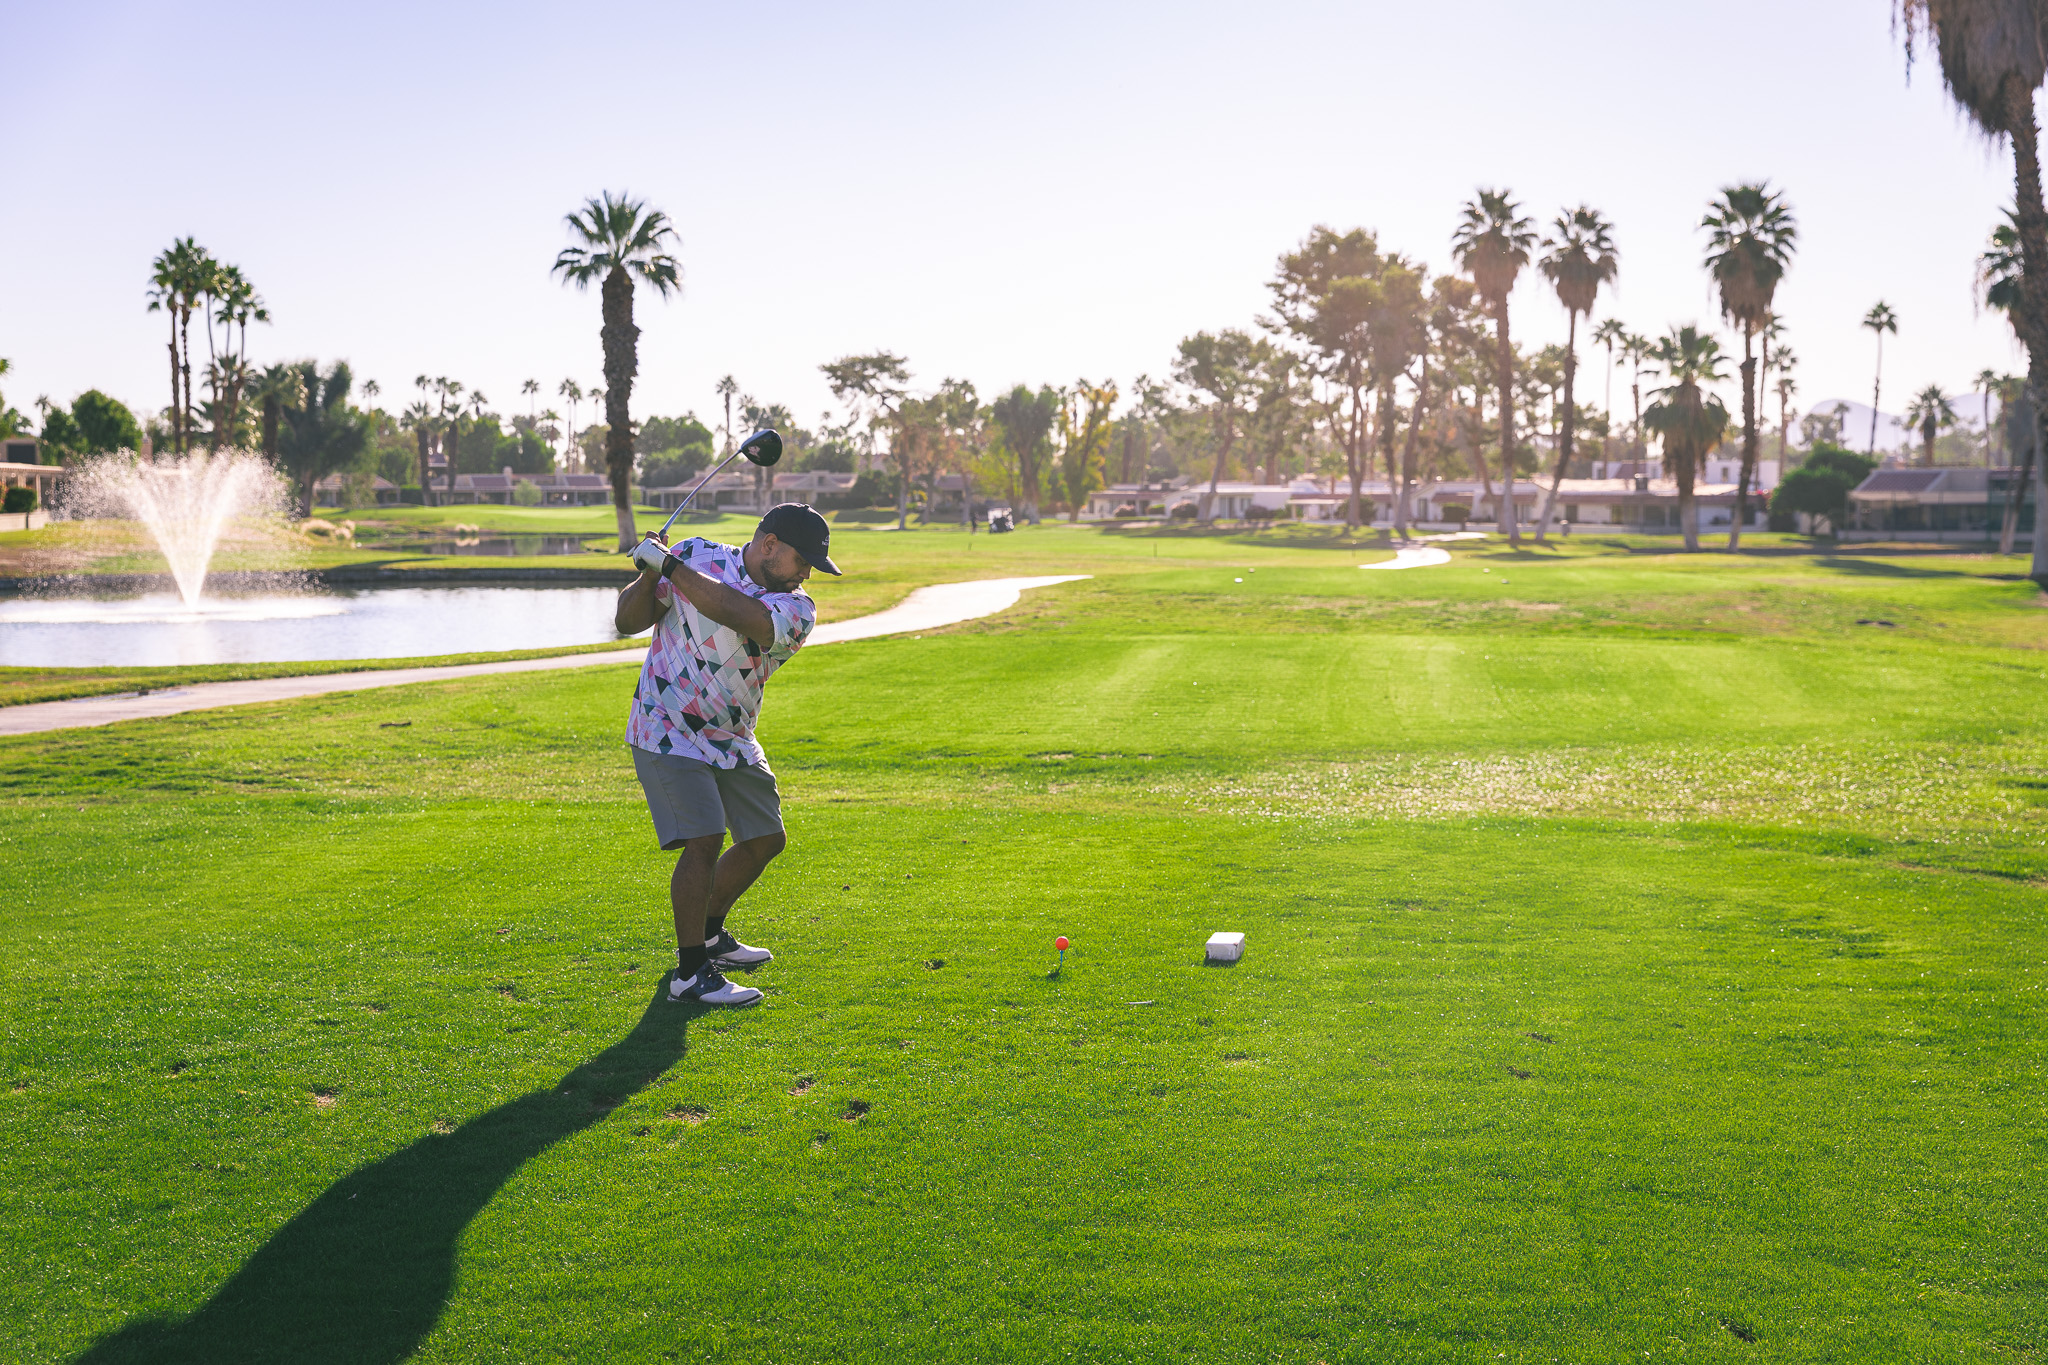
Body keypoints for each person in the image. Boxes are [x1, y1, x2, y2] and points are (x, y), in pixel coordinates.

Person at [614, 502, 841, 1007]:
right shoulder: (696, 555)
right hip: (666, 725)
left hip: (732, 736)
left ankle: (711, 934)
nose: (806, 574)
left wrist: (671, 565)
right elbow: (628, 620)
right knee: (704, 839)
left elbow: (739, 614)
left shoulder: (797, 609)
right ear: (769, 544)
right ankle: (690, 972)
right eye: (802, 560)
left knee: (765, 839)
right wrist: (650, 574)